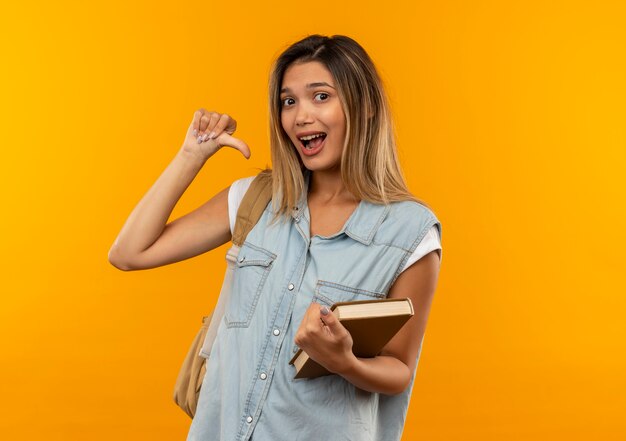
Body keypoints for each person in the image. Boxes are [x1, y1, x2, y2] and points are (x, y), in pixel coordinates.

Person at [109, 34, 442, 441]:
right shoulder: (256, 199)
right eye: (289, 101)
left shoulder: (410, 232)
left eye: (321, 97)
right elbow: (129, 252)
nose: (300, 116)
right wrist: (191, 156)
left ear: (366, 107)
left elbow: (398, 370)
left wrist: (344, 361)